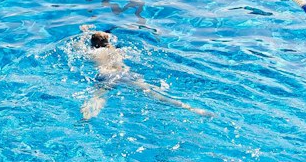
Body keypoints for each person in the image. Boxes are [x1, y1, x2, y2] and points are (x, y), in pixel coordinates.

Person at [77, 29, 208, 120]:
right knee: (153, 93)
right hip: (125, 74)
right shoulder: (115, 50)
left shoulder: (94, 53)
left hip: (106, 75)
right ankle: (191, 109)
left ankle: (87, 115)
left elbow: (79, 48)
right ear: (108, 42)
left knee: (98, 96)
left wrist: (84, 33)